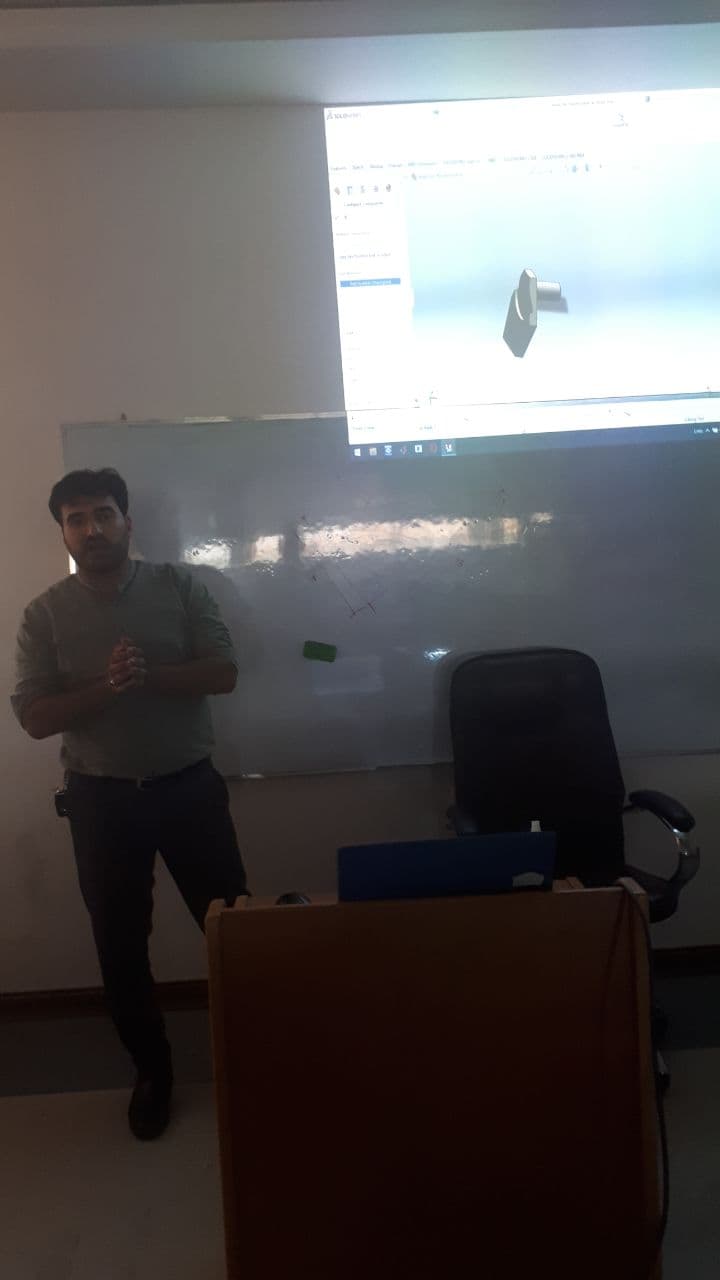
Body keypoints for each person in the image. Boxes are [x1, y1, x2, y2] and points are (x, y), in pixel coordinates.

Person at [11, 468, 248, 1141]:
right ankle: (152, 1074)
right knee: (119, 947)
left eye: (104, 514)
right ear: (63, 532)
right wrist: (110, 687)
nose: (92, 529)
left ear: (127, 522)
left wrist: (149, 675)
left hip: (189, 789)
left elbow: (224, 672)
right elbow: (34, 717)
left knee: (233, 929)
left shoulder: (179, 586)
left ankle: (258, 1054)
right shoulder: (43, 614)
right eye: (77, 519)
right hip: (101, 802)